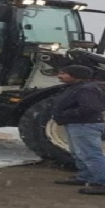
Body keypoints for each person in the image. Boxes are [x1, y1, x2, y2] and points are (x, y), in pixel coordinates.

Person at [52, 65, 105, 196]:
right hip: (77, 124)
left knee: (90, 154)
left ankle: (102, 182)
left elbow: (90, 108)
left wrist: (66, 115)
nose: (59, 76)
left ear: (76, 76)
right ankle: (86, 176)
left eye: (64, 73)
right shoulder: (78, 87)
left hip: (84, 125)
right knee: (79, 153)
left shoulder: (86, 89)